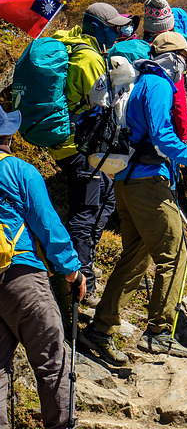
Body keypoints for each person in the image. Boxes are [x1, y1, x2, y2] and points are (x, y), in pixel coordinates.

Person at [78, 32, 187, 365]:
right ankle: (159, 333)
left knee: (136, 257)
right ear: (173, 57)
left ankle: (100, 330)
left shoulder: (138, 81)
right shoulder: (158, 85)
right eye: (185, 57)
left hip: (125, 182)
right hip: (147, 183)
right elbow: (162, 136)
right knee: (176, 253)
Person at [0, 105, 87, 429]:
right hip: (22, 276)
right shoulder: (19, 171)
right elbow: (47, 224)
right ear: (9, 135)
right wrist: (71, 271)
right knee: (52, 361)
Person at [51, 3, 128, 307]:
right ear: (96, 27)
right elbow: (104, 107)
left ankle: (86, 261)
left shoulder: (70, 46)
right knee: (85, 211)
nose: (117, 33)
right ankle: (82, 283)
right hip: (79, 146)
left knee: (106, 197)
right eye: (113, 28)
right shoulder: (90, 60)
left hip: (66, 143)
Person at [142, 0, 187, 142]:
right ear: (170, 26)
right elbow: (179, 101)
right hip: (162, 132)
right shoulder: (171, 57)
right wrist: (184, 136)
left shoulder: (136, 49)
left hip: (133, 131)